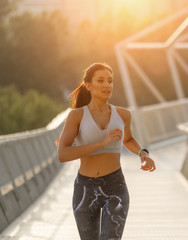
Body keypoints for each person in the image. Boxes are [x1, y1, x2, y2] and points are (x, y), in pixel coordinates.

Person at [57, 62, 156, 240]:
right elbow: (62, 154)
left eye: (110, 81)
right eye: (100, 81)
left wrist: (143, 153)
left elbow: (128, 140)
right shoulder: (77, 116)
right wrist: (102, 143)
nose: (107, 85)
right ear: (89, 86)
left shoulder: (123, 115)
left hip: (115, 187)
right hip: (85, 190)